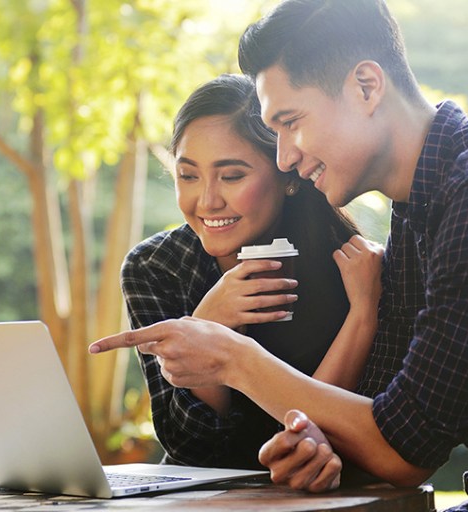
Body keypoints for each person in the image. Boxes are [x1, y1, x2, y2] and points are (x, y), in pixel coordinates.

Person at [91, 1, 468, 510]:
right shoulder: (421, 207)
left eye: (290, 123)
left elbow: (406, 450)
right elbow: (383, 412)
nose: (284, 157)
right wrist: (316, 443)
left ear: (365, 85)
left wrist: (236, 359)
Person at [121, 73, 384, 470]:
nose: (207, 201)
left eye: (232, 176)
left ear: (287, 176)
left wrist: (362, 315)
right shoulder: (155, 268)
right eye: (188, 175)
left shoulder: (356, 268)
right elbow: (189, 447)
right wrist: (208, 324)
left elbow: (330, 428)